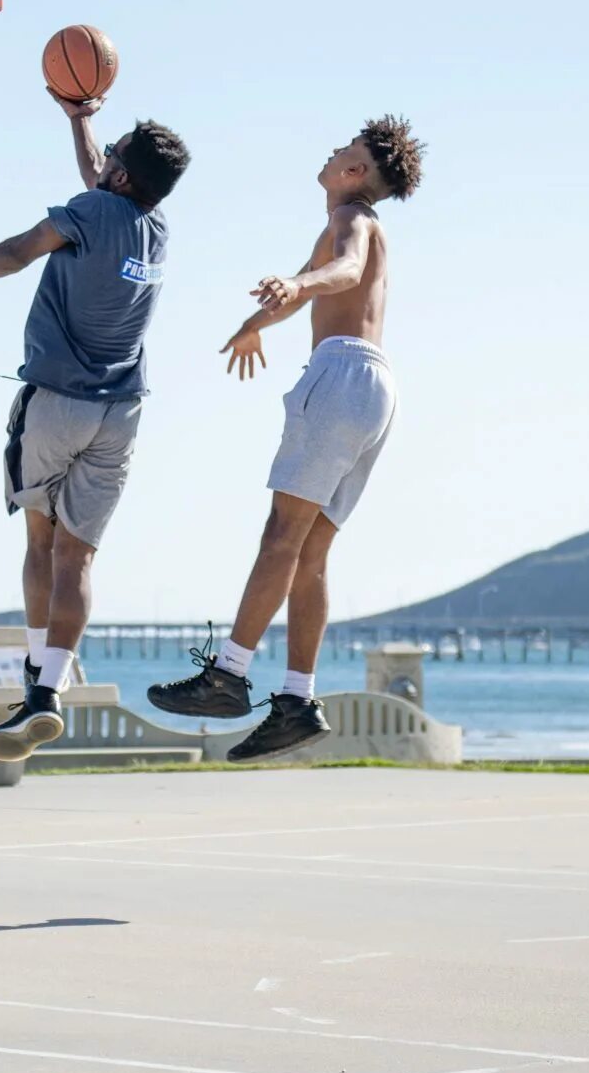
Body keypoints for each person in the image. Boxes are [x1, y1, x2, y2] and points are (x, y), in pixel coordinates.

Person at [0, 93, 189, 760]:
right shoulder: (153, 229)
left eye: (115, 157)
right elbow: (101, 177)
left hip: (57, 403)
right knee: (79, 558)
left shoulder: (92, 211)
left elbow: (22, 247)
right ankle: (52, 688)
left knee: (39, 545)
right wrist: (80, 119)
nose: (105, 162)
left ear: (123, 177)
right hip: (121, 412)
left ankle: (35, 689)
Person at [148, 117, 425, 760]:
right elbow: (311, 285)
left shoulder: (351, 219)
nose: (331, 154)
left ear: (355, 174)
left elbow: (342, 271)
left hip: (340, 375)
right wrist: (256, 321)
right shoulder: (345, 223)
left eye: (342, 152)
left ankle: (229, 677)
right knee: (311, 554)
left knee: (280, 537)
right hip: (376, 387)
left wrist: (299, 284)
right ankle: (297, 700)